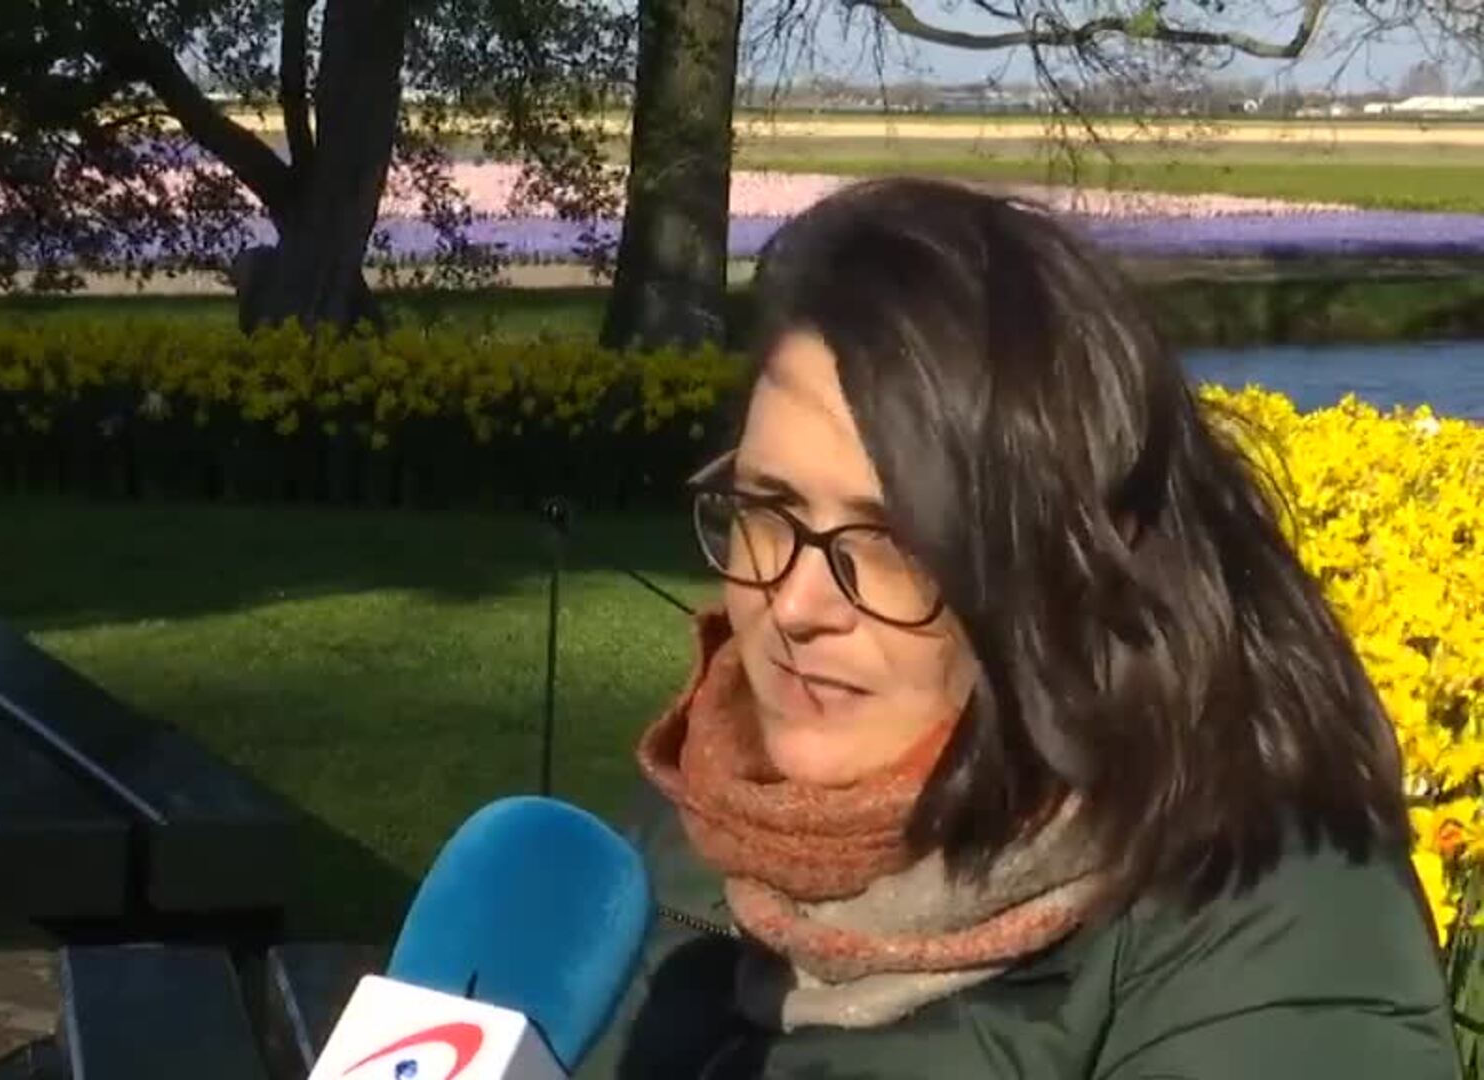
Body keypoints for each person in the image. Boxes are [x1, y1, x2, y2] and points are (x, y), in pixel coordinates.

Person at [578, 177, 1460, 1079]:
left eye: (895, 544)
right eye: (769, 510)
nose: (796, 607)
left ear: (1083, 563)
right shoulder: (700, 816)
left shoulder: (1269, 923)